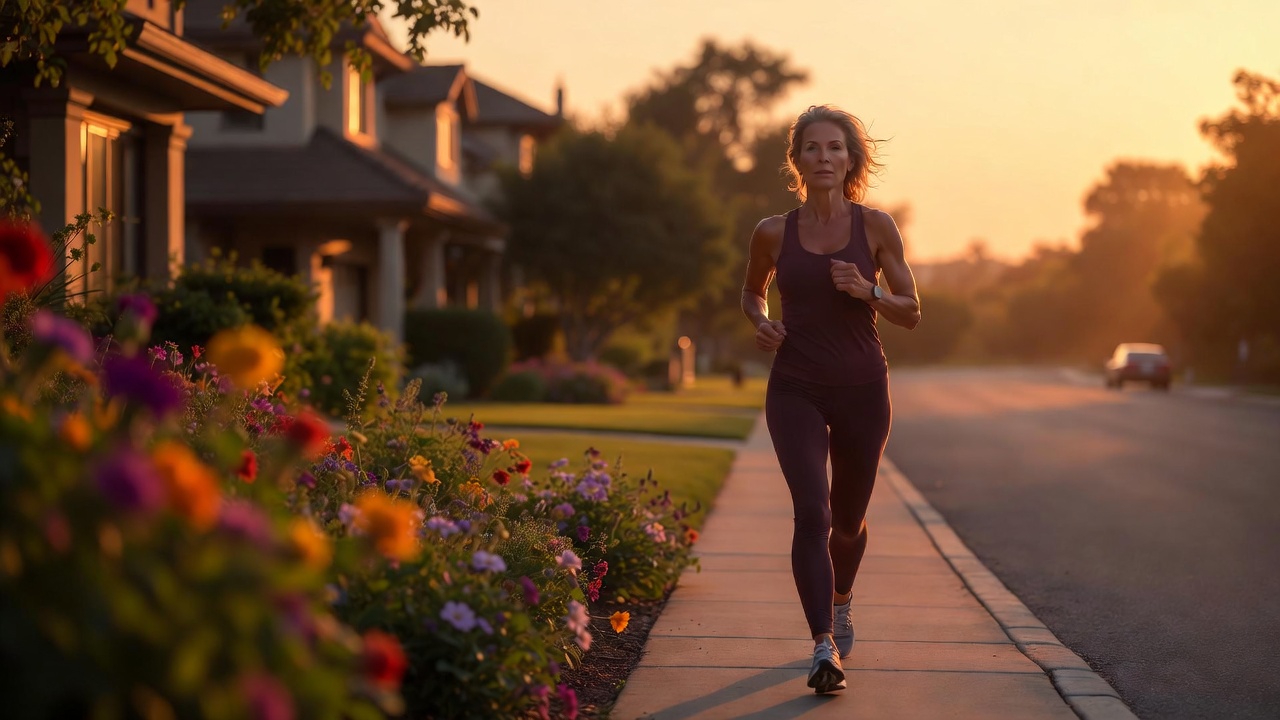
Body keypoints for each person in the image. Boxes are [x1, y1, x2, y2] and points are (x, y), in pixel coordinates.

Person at [740, 104, 920, 694]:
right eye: (812, 148)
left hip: (864, 390)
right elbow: (751, 293)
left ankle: (841, 599)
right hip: (794, 387)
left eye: (835, 148)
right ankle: (823, 645)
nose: (824, 158)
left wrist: (867, 290)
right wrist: (760, 322)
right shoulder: (773, 232)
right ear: (796, 161)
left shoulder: (876, 228)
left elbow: (912, 312)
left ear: (851, 160)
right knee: (811, 513)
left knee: (847, 523)